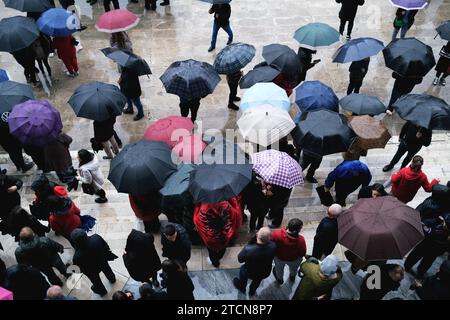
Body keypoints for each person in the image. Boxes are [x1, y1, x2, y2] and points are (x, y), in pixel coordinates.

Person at [193, 197, 242, 268]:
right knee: (223, 249)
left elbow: (196, 220)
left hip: (209, 239)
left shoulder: (203, 207)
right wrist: (232, 199)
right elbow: (236, 214)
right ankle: (219, 257)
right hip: (224, 236)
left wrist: (198, 204)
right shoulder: (226, 205)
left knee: (211, 251)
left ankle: (214, 262)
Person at [71, 228, 118, 296]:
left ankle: (102, 291)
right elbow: (106, 246)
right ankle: (112, 279)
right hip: (102, 261)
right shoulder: (96, 238)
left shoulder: (76, 256)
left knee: (96, 281)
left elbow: (79, 269)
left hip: (91, 270)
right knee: (107, 270)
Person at [233, 227, 276, 296]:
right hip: (264, 271)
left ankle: (242, 287)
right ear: (269, 238)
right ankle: (252, 291)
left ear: (257, 235)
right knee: (257, 281)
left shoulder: (248, 249)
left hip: (249, 271)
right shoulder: (273, 246)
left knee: (242, 271)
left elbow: (240, 260)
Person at [404, 214, 450, 278]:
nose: (443, 221)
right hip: (437, 250)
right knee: (427, 262)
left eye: (444, 222)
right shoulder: (445, 231)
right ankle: (420, 271)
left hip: (426, 245)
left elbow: (428, 231)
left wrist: (423, 223)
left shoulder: (440, 232)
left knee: (415, 255)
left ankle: (407, 266)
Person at [271, 218, 307, 284]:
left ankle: (280, 280)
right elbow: (302, 252)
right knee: (293, 269)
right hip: (294, 260)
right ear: (297, 230)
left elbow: (271, 243)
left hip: (279, 258)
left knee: (279, 269)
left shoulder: (276, 233)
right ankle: (292, 277)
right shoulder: (301, 240)